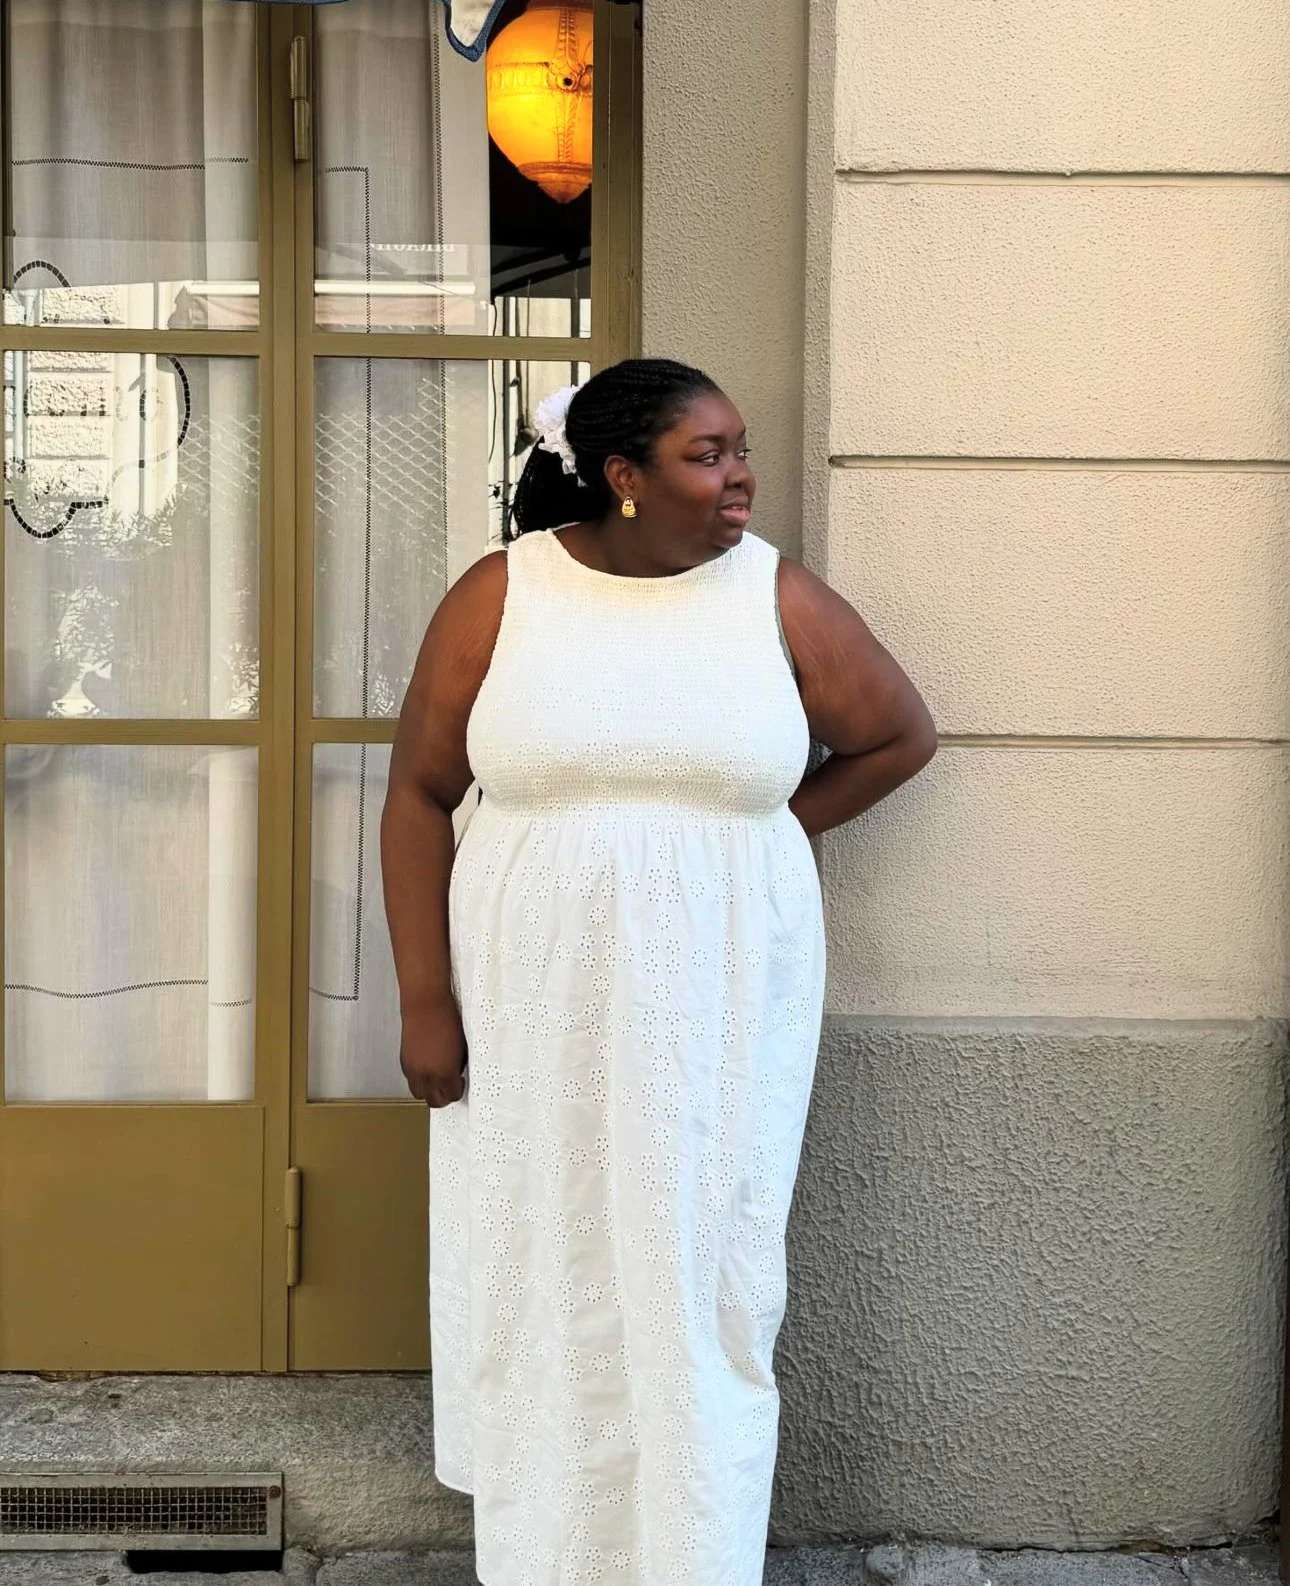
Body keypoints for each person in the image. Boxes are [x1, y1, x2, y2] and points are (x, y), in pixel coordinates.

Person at [380, 357, 937, 1586]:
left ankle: (694, 1556)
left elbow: (901, 734)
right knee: (548, 1254)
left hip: (721, 1001)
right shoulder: (504, 592)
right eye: (708, 454)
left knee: (703, 1268)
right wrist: (425, 1000)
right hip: (528, 1000)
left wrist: (759, 836)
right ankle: (542, 1557)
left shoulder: (775, 597)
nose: (740, 476)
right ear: (624, 476)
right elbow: (418, 792)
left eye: (741, 450)